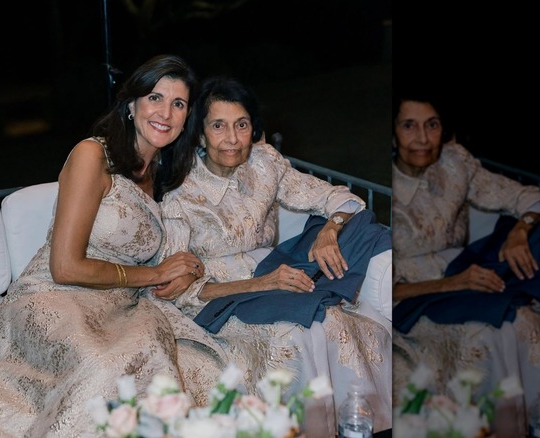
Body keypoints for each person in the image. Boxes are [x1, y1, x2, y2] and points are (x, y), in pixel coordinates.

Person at [154, 76, 393, 434]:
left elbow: (342, 199)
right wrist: (264, 282)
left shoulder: (265, 162)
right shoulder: (180, 193)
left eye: (242, 125)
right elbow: (181, 290)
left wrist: (330, 230)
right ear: (200, 135)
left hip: (279, 266)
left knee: (361, 226)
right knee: (306, 328)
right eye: (218, 126)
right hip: (227, 294)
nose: (232, 139)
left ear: (253, 129)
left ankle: (360, 423)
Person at [0, 54, 210, 437]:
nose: (166, 113)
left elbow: (177, 251)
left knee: (194, 366)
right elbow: (66, 266)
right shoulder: (93, 155)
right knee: (107, 367)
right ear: (131, 105)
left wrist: (187, 268)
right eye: (155, 98)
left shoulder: (162, 175)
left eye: (179, 104)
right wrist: (156, 273)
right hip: (52, 298)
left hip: (120, 307)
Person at [390, 90, 540, 433]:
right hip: (414, 296)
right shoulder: (383, 184)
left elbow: (533, 199)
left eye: (432, 125)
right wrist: (455, 283)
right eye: (409, 126)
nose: (422, 139)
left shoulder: (455, 163)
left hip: (467, 270)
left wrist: (520, 230)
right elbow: (384, 289)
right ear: (393, 133)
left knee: (521, 315)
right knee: (490, 333)